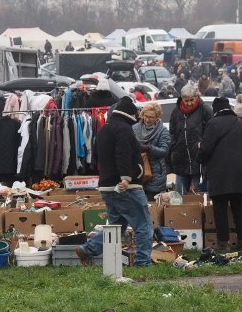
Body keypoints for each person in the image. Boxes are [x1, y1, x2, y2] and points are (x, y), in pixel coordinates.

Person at [75, 97, 154, 267]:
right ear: (131, 114)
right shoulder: (124, 129)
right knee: (144, 224)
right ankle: (143, 262)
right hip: (126, 186)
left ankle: (88, 249)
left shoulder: (104, 130)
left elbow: (97, 156)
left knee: (117, 226)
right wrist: (126, 178)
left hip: (107, 186)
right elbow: (123, 154)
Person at [198, 97, 242, 252]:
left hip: (221, 173)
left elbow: (206, 149)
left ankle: (223, 243)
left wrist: (199, 157)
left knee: (220, 207)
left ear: (215, 110)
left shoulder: (213, 123)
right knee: (239, 206)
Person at [169, 84, 212, 194]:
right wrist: (174, 148)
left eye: (191, 100)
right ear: (181, 99)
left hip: (199, 161)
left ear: (196, 96)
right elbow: (172, 133)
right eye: (186, 100)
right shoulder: (176, 112)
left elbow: (211, 131)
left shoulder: (205, 110)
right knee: (179, 198)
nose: (189, 103)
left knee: (200, 196)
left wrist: (203, 146)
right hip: (181, 161)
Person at [132, 102, 171, 200]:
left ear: (157, 117)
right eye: (146, 116)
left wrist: (149, 148)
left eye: (151, 117)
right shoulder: (135, 128)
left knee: (152, 207)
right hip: (138, 171)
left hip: (156, 174)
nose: (147, 119)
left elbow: (164, 151)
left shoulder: (163, 131)